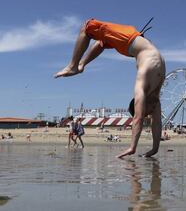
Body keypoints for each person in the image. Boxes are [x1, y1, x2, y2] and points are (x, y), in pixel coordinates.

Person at [54, 18, 165, 158]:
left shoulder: (142, 87)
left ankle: (74, 66)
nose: (149, 114)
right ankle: (78, 65)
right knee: (96, 36)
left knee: (90, 28)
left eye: (146, 113)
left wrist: (136, 148)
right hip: (132, 42)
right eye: (147, 113)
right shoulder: (152, 94)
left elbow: (141, 119)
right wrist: (148, 148)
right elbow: (150, 120)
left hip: (130, 40)